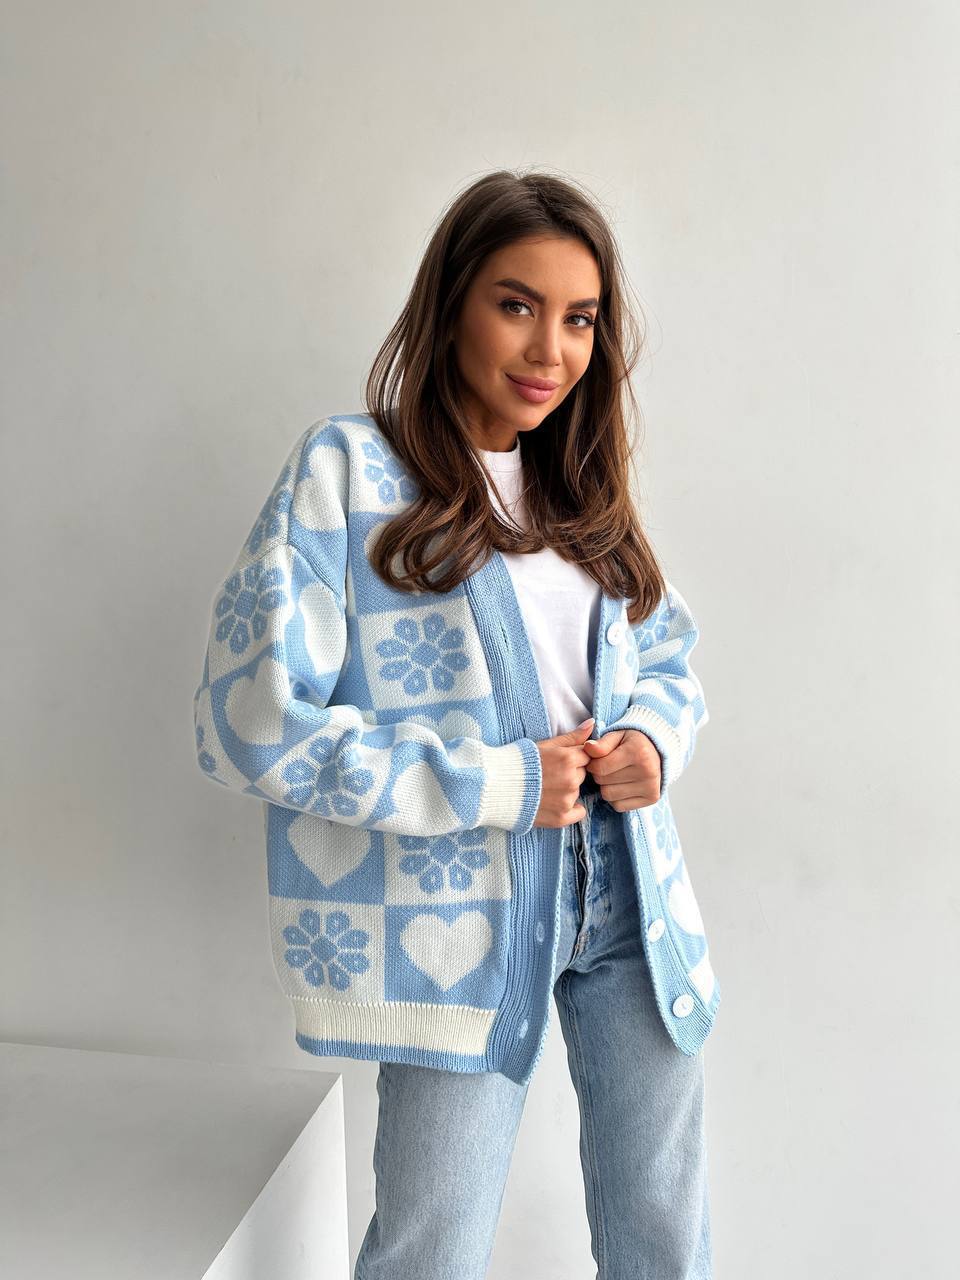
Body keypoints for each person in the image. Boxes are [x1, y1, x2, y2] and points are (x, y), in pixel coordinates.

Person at [193, 168, 719, 1280]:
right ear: (451, 305)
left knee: (665, 1236)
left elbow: (667, 651)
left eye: (579, 318)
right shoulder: (349, 471)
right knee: (431, 1244)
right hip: (454, 912)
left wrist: (653, 743)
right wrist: (493, 783)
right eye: (516, 303)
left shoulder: (582, 490)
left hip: (628, 901)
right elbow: (250, 723)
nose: (550, 349)